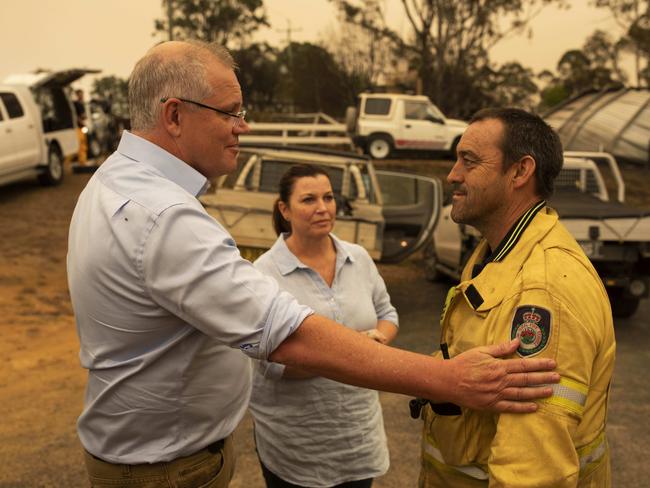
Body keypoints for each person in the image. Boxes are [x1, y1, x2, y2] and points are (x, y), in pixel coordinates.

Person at [66, 40, 558, 488]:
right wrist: (448, 380)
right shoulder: (165, 216)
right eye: (231, 113)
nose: (244, 126)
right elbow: (288, 337)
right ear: (174, 115)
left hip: (156, 457)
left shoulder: (117, 182)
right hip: (168, 470)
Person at [418, 108, 616, 487]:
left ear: (520, 172)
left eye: (469, 161)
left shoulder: (545, 292)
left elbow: (532, 473)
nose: (452, 175)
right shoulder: (495, 253)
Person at [249, 164, 398, 488]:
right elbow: (268, 362)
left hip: (358, 437)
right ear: (284, 209)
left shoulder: (358, 258)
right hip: (298, 445)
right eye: (308, 200)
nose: (322, 208)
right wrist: (355, 354)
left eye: (328, 198)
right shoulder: (263, 275)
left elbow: (387, 314)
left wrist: (376, 341)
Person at [73, 88, 88, 165]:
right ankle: (82, 162)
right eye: (80, 94)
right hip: (78, 127)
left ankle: (83, 161)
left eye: (82, 94)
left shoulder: (81, 104)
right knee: (81, 144)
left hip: (81, 127)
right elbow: (76, 116)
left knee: (83, 144)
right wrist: (81, 120)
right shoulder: (76, 104)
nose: (81, 95)